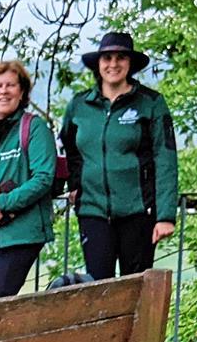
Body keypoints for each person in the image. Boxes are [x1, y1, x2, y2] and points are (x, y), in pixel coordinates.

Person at [61, 32, 178, 279]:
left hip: (138, 212)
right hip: (92, 211)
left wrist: (165, 216)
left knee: (137, 288)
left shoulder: (151, 103)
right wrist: (74, 184)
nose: (113, 64)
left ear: (130, 63)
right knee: (98, 288)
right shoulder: (79, 105)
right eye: (107, 57)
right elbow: (70, 150)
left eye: (121, 57)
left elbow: (165, 159)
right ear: (98, 63)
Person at [0, 61, 56, 299]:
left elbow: (43, 177)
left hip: (20, 233)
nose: (4, 91)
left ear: (22, 92)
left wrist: (4, 204)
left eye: (11, 85)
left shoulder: (34, 128)